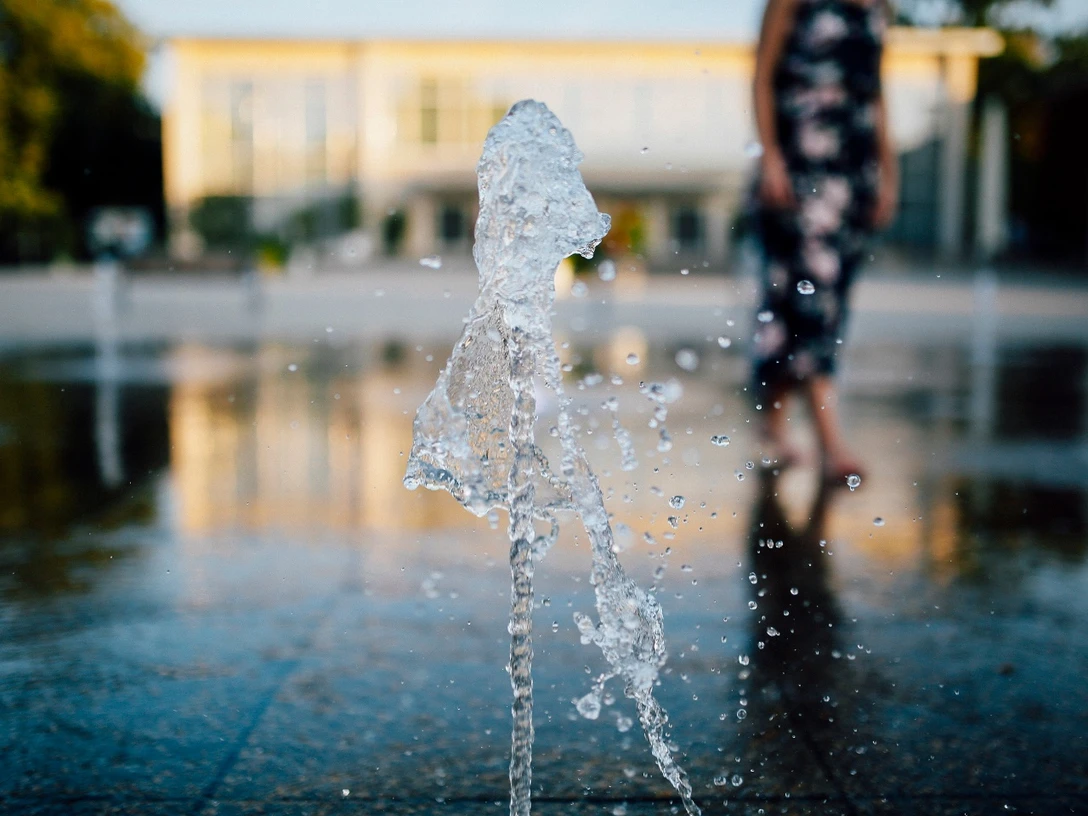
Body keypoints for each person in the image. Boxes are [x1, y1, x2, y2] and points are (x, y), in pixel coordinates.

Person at [750, 0, 898, 481]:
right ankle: (830, 442)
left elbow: (875, 93)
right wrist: (770, 157)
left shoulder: (879, 6)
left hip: (854, 169)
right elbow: (762, 74)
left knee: (808, 300)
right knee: (812, 296)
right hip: (799, 165)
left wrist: (888, 173)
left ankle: (771, 425)